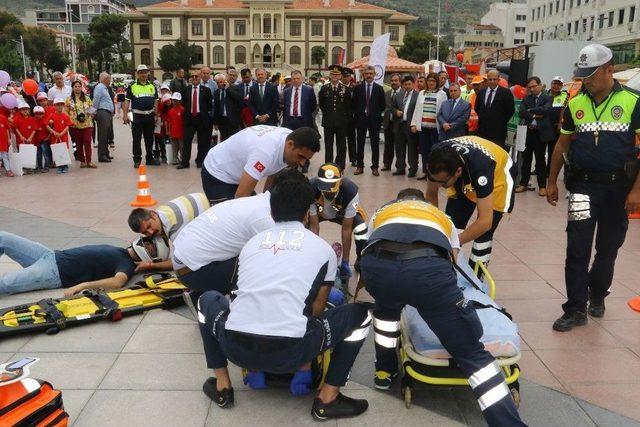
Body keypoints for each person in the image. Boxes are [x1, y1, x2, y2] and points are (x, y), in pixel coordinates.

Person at [195, 177, 371, 420]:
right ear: (307, 213)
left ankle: (222, 385)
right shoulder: (323, 250)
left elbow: (238, 296)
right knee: (361, 315)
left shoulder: (250, 245)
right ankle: (327, 399)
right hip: (292, 351)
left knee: (206, 300)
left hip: (236, 347)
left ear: (271, 209)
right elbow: (317, 310)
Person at [360, 188, 525, 427]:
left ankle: (384, 372)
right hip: (427, 272)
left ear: (399, 201)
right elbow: (452, 263)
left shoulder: (383, 212)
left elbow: (369, 245)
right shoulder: (440, 216)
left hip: (378, 269)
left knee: (386, 316)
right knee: (471, 352)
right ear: (423, 202)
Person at [546, 44, 640, 332]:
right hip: (582, 188)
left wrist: (636, 191)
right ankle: (575, 308)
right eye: (583, 75)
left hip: (618, 190)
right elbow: (562, 143)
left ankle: (597, 294)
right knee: (576, 248)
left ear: (609, 70)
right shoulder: (574, 104)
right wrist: (551, 181)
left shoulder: (633, 102)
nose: (586, 80)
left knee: (608, 248)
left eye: (592, 74)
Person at [426, 136, 516, 267]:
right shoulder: (436, 157)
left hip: (499, 174)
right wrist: (436, 230)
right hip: (467, 165)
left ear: (458, 172)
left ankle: (477, 277)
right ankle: (448, 268)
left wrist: (454, 243)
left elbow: (485, 222)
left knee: (483, 236)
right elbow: (431, 195)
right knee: (453, 225)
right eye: (435, 180)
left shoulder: (481, 169)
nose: (438, 186)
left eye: (443, 182)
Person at [0, 231, 169, 296]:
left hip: (54, 273)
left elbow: (118, 282)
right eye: (148, 241)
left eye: (151, 248)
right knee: (3, 238)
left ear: (149, 259)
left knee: (5, 284)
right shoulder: (121, 251)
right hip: (50, 255)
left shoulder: (127, 266)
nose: (147, 244)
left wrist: (82, 285)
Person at [201, 125, 320, 203]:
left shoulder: (289, 140)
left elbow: (275, 171)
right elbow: (240, 197)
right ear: (290, 144)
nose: (302, 163)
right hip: (217, 173)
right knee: (232, 222)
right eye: (301, 157)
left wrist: (266, 202)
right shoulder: (265, 153)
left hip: (238, 173)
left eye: (306, 159)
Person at [309, 163, 368, 276]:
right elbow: (314, 226)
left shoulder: (351, 192)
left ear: (340, 181)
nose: (328, 191)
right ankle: (307, 259)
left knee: (361, 229)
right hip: (319, 213)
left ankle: (360, 261)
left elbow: (347, 229)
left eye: (332, 186)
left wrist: (345, 261)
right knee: (302, 227)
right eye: (325, 186)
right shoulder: (311, 188)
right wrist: (314, 258)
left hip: (341, 214)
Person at [127, 192, 210, 272]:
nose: (151, 233)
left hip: (213, 214)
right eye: (145, 233)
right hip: (208, 199)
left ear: (153, 214)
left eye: (149, 226)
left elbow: (181, 263)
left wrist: (151, 265)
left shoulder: (174, 227)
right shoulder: (161, 211)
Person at [516, 76, 553, 196]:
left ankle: (542, 186)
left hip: (540, 134)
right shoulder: (526, 98)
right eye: (529, 87)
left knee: (540, 160)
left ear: (540, 85)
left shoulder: (547, 97)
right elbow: (522, 112)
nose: (531, 89)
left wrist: (530, 110)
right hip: (528, 133)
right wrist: (533, 115)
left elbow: (546, 110)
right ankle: (523, 184)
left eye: (533, 86)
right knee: (526, 159)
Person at [411, 72, 448, 179]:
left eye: (433, 81)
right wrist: (413, 124)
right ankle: (425, 171)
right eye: (429, 80)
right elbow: (417, 109)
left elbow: (444, 111)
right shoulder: (422, 93)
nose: (431, 83)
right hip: (423, 128)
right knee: (424, 150)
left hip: (435, 128)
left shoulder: (442, 94)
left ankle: (434, 173)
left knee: (435, 152)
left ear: (437, 82)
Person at [123, 64, 160, 168]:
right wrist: (125, 115)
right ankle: (137, 159)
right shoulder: (132, 86)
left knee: (149, 139)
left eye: (145, 72)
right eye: (141, 72)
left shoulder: (152, 85)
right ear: (138, 74)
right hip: (137, 116)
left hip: (150, 116)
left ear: (148, 73)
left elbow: (156, 100)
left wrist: (156, 114)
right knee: (136, 139)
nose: (144, 74)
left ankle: (149, 158)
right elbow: (127, 101)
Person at [352, 65, 386, 176]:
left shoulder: (379, 89)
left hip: (374, 120)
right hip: (361, 120)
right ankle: (359, 166)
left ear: (374, 75)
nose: (369, 75)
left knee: (375, 144)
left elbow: (382, 106)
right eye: (367, 73)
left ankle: (375, 167)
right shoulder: (358, 88)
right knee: (360, 143)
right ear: (363, 75)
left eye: (371, 73)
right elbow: (354, 103)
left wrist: (375, 115)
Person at [177, 71, 213, 169]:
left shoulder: (206, 90)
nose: (194, 78)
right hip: (189, 119)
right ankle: (185, 162)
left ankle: (200, 161)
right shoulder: (185, 89)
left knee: (202, 142)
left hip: (202, 119)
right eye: (192, 76)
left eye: (196, 76)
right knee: (187, 141)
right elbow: (183, 103)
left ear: (200, 77)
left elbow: (209, 105)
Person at [318, 65, 351, 171]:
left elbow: (348, 105)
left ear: (340, 76)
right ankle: (328, 166)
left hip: (341, 122)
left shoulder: (345, 89)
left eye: (337, 74)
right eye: (333, 74)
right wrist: (329, 114)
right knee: (328, 146)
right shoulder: (324, 88)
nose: (335, 76)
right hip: (328, 122)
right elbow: (322, 105)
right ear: (330, 75)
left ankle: (340, 167)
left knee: (341, 146)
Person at [475, 70, 515, 151]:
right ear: (486, 80)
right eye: (490, 79)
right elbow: (477, 108)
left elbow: (510, 111)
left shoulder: (506, 93)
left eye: (494, 79)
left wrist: (499, 121)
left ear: (498, 80)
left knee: (495, 155)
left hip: (498, 133)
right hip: (483, 131)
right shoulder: (481, 92)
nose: (492, 81)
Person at [391, 75, 420, 177]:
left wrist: (415, 124)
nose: (407, 86)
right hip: (399, 125)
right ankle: (400, 168)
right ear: (403, 85)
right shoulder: (399, 95)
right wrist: (396, 112)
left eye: (409, 84)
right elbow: (392, 107)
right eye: (405, 84)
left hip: (411, 126)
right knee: (399, 148)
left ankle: (413, 169)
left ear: (413, 84)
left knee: (412, 149)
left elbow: (419, 111)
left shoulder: (418, 95)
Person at [66, 80, 96, 169]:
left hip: (87, 124)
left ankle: (89, 161)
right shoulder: (69, 99)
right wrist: (69, 122)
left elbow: (92, 109)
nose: (77, 88)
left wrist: (92, 114)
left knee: (87, 142)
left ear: (81, 87)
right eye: (75, 86)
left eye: (79, 86)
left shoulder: (86, 98)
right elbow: (66, 112)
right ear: (73, 87)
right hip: (74, 125)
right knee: (78, 143)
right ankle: (82, 161)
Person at [382, 73, 403, 172]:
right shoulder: (386, 93)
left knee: (399, 146)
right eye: (392, 81)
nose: (393, 82)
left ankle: (400, 166)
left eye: (396, 80)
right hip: (388, 123)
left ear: (400, 82)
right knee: (388, 145)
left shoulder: (404, 93)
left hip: (399, 124)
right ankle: (387, 164)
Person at [93, 72, 115, 163]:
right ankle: (102, 155)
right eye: (108, 78)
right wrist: (93, 112)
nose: (110, 80)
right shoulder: (99, 88)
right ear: (104, 79)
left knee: (107, 134)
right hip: (102, 113)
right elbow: (96, 101)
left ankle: (106, 153)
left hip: (107, 113)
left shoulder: (105, 88)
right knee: (103, 135)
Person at [46, 98, 73, 174]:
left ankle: (65, 165)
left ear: (63, 105)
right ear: (54, 106)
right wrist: (53, 132)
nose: (59, 106)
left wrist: (61, 133)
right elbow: (47, 125)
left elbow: (67, 126)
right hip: (55, 137)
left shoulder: (65, 116)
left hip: (63, 137)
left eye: (61, 105)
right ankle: (59, 166)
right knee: (57, 151)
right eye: (57, 105)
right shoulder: (52, 116)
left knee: (64, 150)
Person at [213, 73, 243, 142]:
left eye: (221, 82)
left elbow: (239, 98)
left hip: (232, 120)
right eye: (217, 82)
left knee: (232, 140)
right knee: (223, 140)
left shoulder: (234, 88)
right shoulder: (216, 93)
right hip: (222, 120)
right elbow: (216, 108)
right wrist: (215, 122)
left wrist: (228, 89)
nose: (219, 84)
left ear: (225, 81)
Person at [547, 76, 568, 170]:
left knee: (552, 150)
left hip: (555, 126)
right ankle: (539, 169)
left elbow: (563, 110)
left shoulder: (565, 96)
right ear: (551, 83)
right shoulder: (545, 94)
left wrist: (560, 124)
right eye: (554, 83)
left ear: (562, 86)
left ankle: (549, 169)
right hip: (543, 125)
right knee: (540, 149)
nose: (556, 86)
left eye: (559, 84)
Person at [341, 67, 358, 167]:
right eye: (343, 76)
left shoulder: (355, 87)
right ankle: (341, 159)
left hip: (351, 118)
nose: (345, 78)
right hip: (341, 117)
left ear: (350, 77)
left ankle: (354, 159)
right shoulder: (338, 87)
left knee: (352, 139)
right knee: (341, 140)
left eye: (347, 76)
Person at [166, 92, 184, 165]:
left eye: (177, 100)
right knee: (174, 147)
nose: (175, 102)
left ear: (180, 101)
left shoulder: (183, 110)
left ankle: (183, 159)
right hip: (173, 133)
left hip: (181, 133)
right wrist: (168, 131)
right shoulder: (170, 111)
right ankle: (175, 159)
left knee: (182, 147)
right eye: (174, 100)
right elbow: (168, 122)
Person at [32, 106, 51, 172]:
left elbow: (49, 131)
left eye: (40, 113)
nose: (39, 115)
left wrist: (48, 138)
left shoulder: (45, 121)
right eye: (37, 113)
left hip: (44, 140)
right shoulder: (33, 121)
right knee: (38, 154)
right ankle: (39, 167)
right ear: (34, 114)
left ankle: (46, 167)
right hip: (37, 141)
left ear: (43, 114)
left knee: (45, 154)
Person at [0, 111, 13, 177]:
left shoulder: (2, 117)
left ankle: (8, 171)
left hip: (3, 141)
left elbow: (7, 129)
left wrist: (8, 139)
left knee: (5, 156)